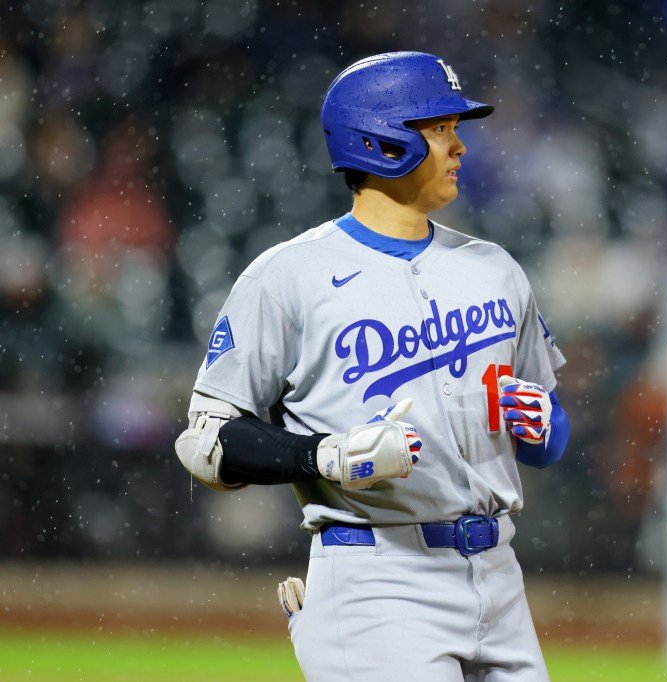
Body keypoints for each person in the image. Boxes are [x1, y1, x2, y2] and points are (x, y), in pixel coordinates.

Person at [174, 51, 570, 681]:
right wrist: (323, 457)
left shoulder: (496, 267)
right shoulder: (290, 275)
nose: (458, 146)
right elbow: (206, 444)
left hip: (499, 575)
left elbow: (548, 443)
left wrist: (546, 425)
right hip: (378, 578)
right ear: (381, 140)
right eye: (439, 128)